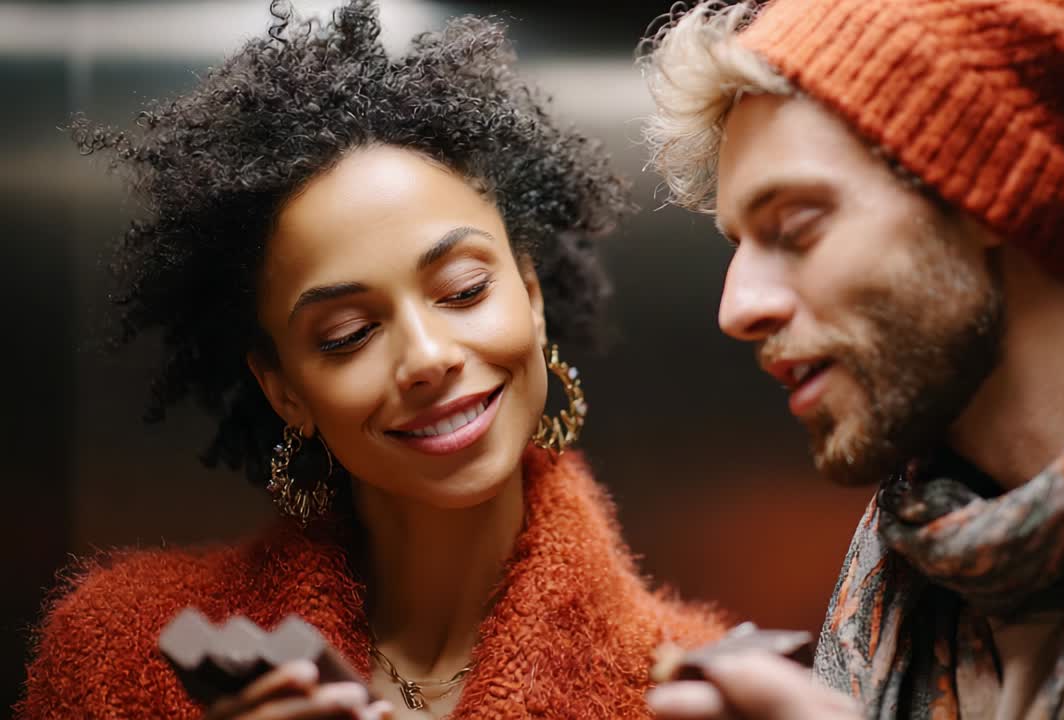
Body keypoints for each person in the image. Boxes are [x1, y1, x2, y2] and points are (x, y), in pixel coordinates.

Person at [16, 2, 725, 718]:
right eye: (349, 333)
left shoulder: (694, 695)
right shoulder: (120, 652)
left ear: (531, 295)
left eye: (464, 290)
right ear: (284, 389)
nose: (427, 358)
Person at [638, 0, 1064, 718]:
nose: (736, 308)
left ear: (992, 195)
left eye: (795, 225)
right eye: (739, 246)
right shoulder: (923, 550)